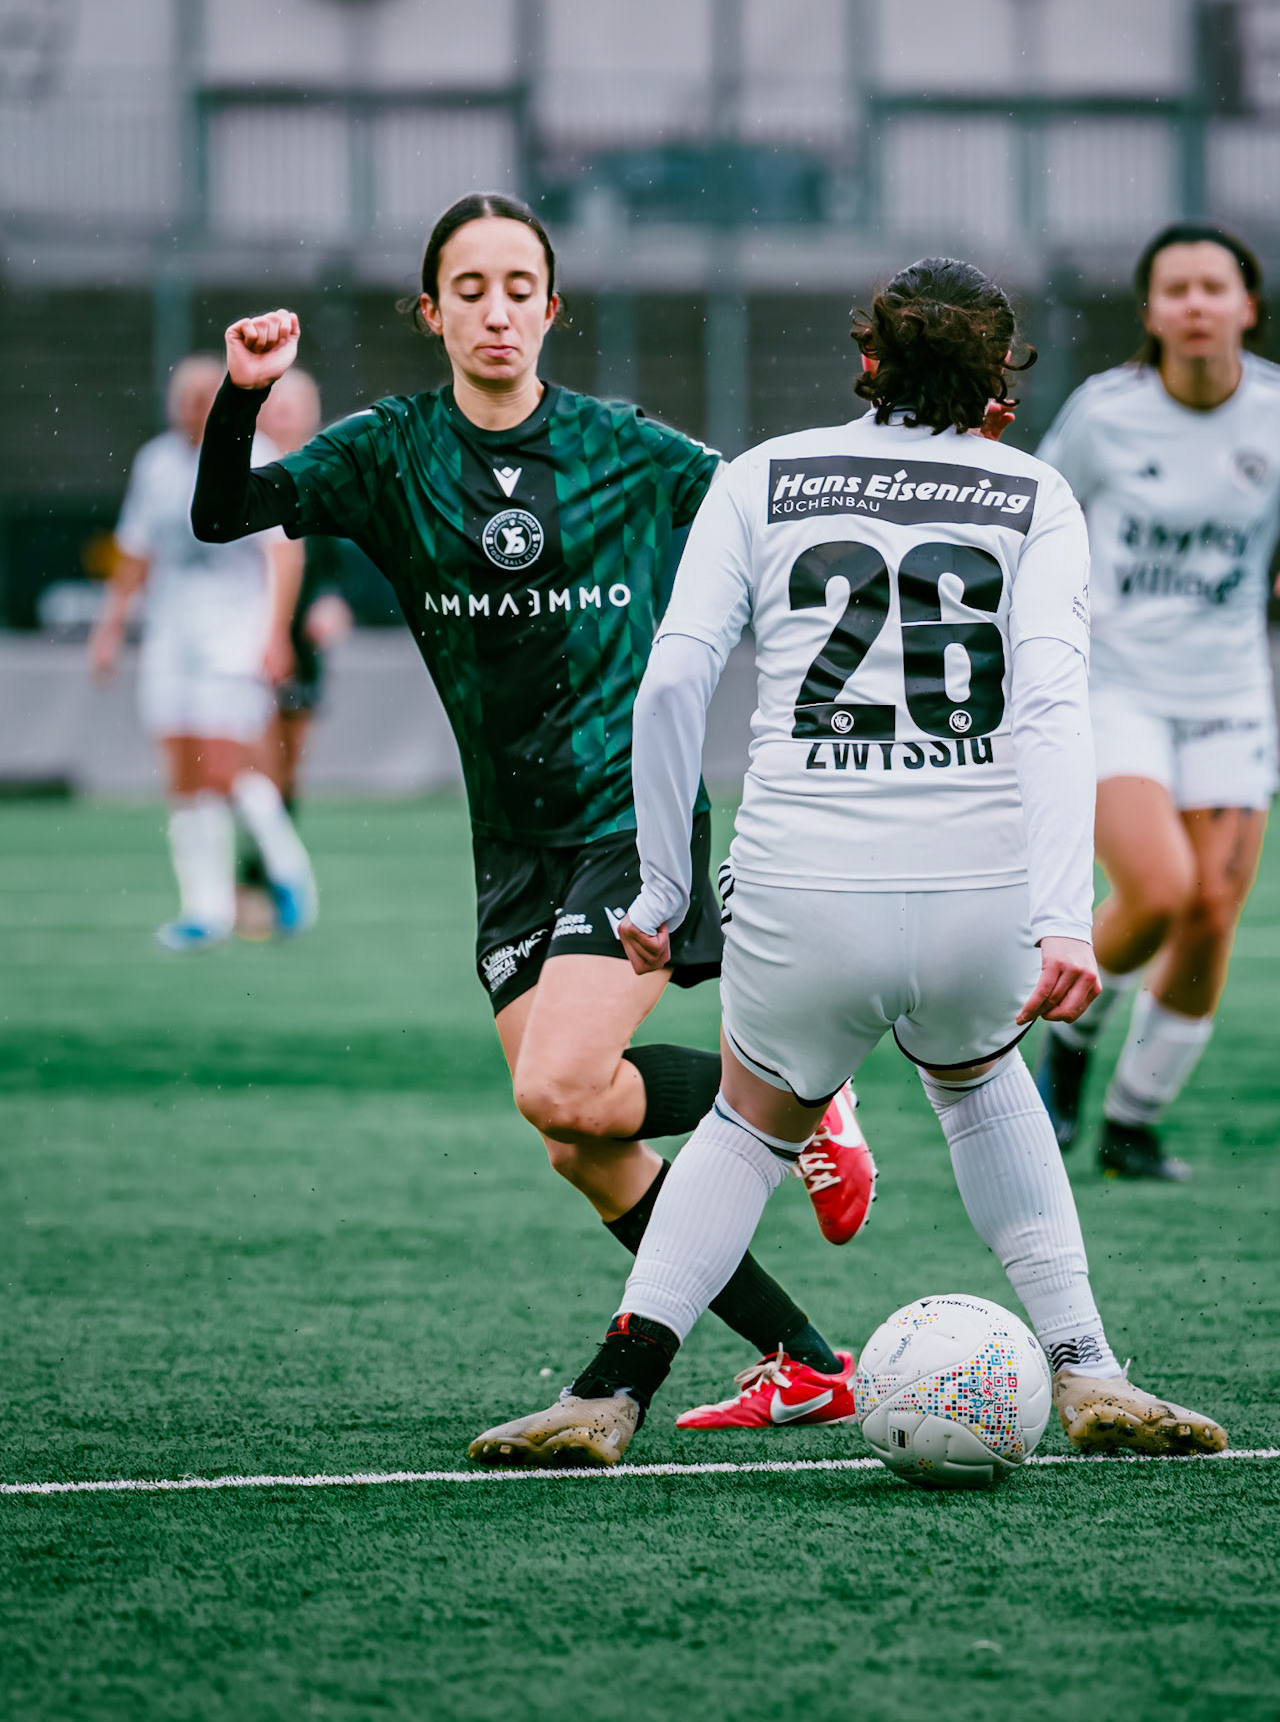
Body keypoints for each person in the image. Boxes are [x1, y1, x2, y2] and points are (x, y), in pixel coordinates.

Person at [469, 256, 1227, 1469]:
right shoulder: (1036, 494)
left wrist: (663, 890)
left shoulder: (764, 475)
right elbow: (1049, 709)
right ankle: (1088, 1366)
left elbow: (672, 682)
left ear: (867, 359)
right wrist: (1061, 916)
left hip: (800, 888)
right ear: (998, 386)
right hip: (980, 887)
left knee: (747, 1125)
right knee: (982, 1086)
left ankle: (613, 1387)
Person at [189, 191, 875, 1428]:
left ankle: (802, 1087)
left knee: (561, 1087)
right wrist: (243, 394)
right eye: (470, 288)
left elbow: (767, 517)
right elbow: (223, 514)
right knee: (581, 1136)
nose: (496, 309)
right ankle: (810, 1358)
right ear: (431, 312)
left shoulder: (630, 449)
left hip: (630, 813)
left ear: (552, 309)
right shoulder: (386, 451)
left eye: (519, 287)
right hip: (509, 841)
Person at [1030, 224, 1280, 1180]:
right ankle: (1068, 1043)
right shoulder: (1106, 414)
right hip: (1118, 685)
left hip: (1229, 694)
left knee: (1214, 911)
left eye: (1212, 288)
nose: (1194, 305)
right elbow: (1043, 517)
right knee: (1163, 890)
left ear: (1247, 307)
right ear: (1150, 312)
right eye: (1174, 289)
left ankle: (1133, 1124)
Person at [87, 354, 318, 950]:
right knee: (181, 771)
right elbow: (136, 551)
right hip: (170, 636)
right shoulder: (156, 463)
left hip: (231, 636)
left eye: (202, 396)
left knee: (220, 766)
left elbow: (284, 554)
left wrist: (274, 634)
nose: (192, 407)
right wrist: (110, 626)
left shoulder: (257, 451)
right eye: (184, 397)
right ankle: (204, 908)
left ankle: (285, 865)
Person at [234, 371, 355, 937]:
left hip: (298, 647)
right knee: (245, 768)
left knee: (285, 771)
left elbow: (335, 557)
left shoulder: (325, 471)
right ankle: (243, 885)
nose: (285, 414)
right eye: (276, 404)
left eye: (297, 405)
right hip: (240, 637)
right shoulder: (240, 473)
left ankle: (265, 882)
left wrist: (330, 603)